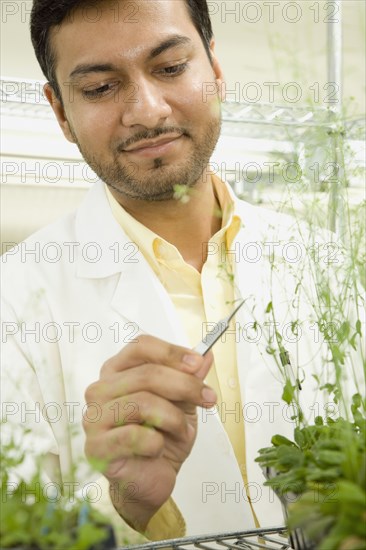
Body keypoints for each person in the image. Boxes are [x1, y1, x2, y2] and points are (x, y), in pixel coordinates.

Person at [1, 0, 352, 543]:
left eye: (169, 68)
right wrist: (127, 503)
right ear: (60, 113)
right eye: (99, 88)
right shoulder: (14, 300)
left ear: (215, 69)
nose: (147, 110)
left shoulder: (326, 262)